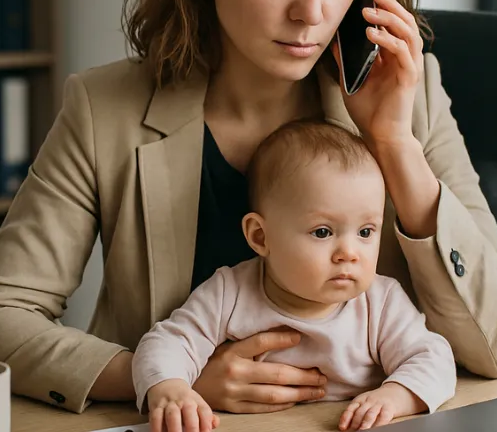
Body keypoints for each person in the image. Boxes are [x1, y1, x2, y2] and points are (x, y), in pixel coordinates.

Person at [0, 0, 497, 416]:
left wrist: (394, 144)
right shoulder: (107, 109)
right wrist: (166, 379)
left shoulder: (410, 96)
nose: (312, 12)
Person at [133, 120, 457, 432]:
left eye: (365, 231)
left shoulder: (380, 302)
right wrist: (170, 387)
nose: (349, 252)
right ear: (261, 237)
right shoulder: (228, 293)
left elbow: (434, 358)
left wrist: (397, 395)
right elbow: (167, 342)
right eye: (322, 231)